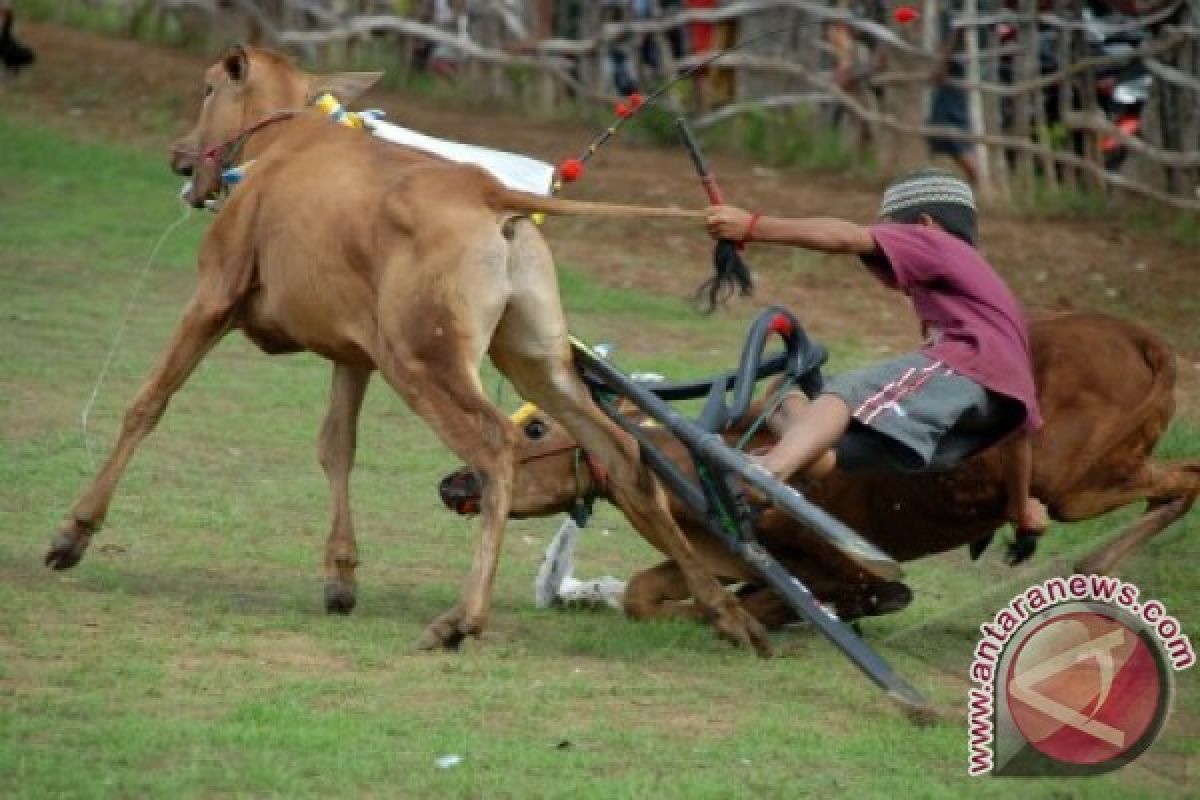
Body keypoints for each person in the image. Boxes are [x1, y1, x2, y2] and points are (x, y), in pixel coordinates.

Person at [703, 169, 1048, 536]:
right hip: (968, 433)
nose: (884, 252)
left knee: (847, 392)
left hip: (964, 376)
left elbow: (848, 239)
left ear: (924, 224)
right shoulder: (989, 304)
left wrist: (753, 226)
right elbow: (1021, 428)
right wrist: (1019, 507)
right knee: (784, 395)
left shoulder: (938, 244)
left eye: (890, 233)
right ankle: (797, 457)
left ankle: (767, 474)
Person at [927, 7, 978, 184]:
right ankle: (974, 179)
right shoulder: (946, 11)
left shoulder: (957, 10)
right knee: (941, 129)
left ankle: (978, 178)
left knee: (953, 131)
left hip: (957, 71)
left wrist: (941, 63)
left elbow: (957, 31)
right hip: (952, 75)